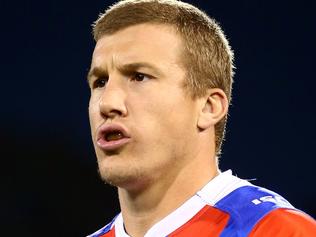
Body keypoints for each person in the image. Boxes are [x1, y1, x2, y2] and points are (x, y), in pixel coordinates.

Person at [86, 0, 316, 236]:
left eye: (139, 76)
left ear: (208, 107)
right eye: (100, 82)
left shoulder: (277, 231)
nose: (107, 103)